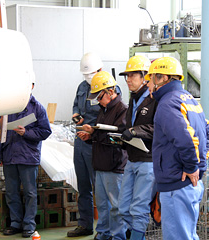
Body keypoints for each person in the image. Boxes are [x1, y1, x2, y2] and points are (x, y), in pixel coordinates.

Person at [146, 56, 209, 240]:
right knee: (188, 235)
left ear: (162, 78)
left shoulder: (167, 104)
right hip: (189, 184)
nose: (147, 84)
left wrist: (192, 167)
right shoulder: (190, 100)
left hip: (177, 186)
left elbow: (185, 139)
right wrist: (199, 164)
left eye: (150, 78)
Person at [0, 79, 52, 238]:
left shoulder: (38, 108)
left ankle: (29, 226)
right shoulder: (7, 108)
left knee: (30, 193)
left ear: (32, 86)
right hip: (9, 155)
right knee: (11, 192)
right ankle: (15, 223)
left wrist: (26, 133)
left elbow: (45, 131)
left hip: (28, 157)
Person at [78, 71, 128, 240]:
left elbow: (118, 139)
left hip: (114, 167)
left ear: (110, 92)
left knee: (116, 206)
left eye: (99, 97)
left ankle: (118, 236)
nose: (97, 101)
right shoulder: (104, 110)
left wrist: (94, 133)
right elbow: (103, 134)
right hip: (100, 164)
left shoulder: (123, 111)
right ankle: (104, 234)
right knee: (102, 205)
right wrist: (91, 136)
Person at [114, 55, 157, 240]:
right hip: (132, 160)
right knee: (123, 208)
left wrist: (135, 131)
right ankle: (136, 235)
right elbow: (129, 126)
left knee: (139, 209)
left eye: (133, 75)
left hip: (148, 161)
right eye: (127, 76)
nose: (128, 80)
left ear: (145, 76)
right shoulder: (133, 99)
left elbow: (159, 128)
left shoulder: (155, 99)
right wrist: (123, 136)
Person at [67, 52, 103, 237]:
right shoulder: (82, 87)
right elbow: (75, 105)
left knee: (100, 188)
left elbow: (110, 117)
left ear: (100, 70)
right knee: (83, 187)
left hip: (95, 144)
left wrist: (92, 133)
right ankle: (85, 225)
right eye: (85, 74)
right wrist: (75, 115)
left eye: (91, 74)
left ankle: (103, 229)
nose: (88, 77)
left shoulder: (108, 87)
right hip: (79, 142)